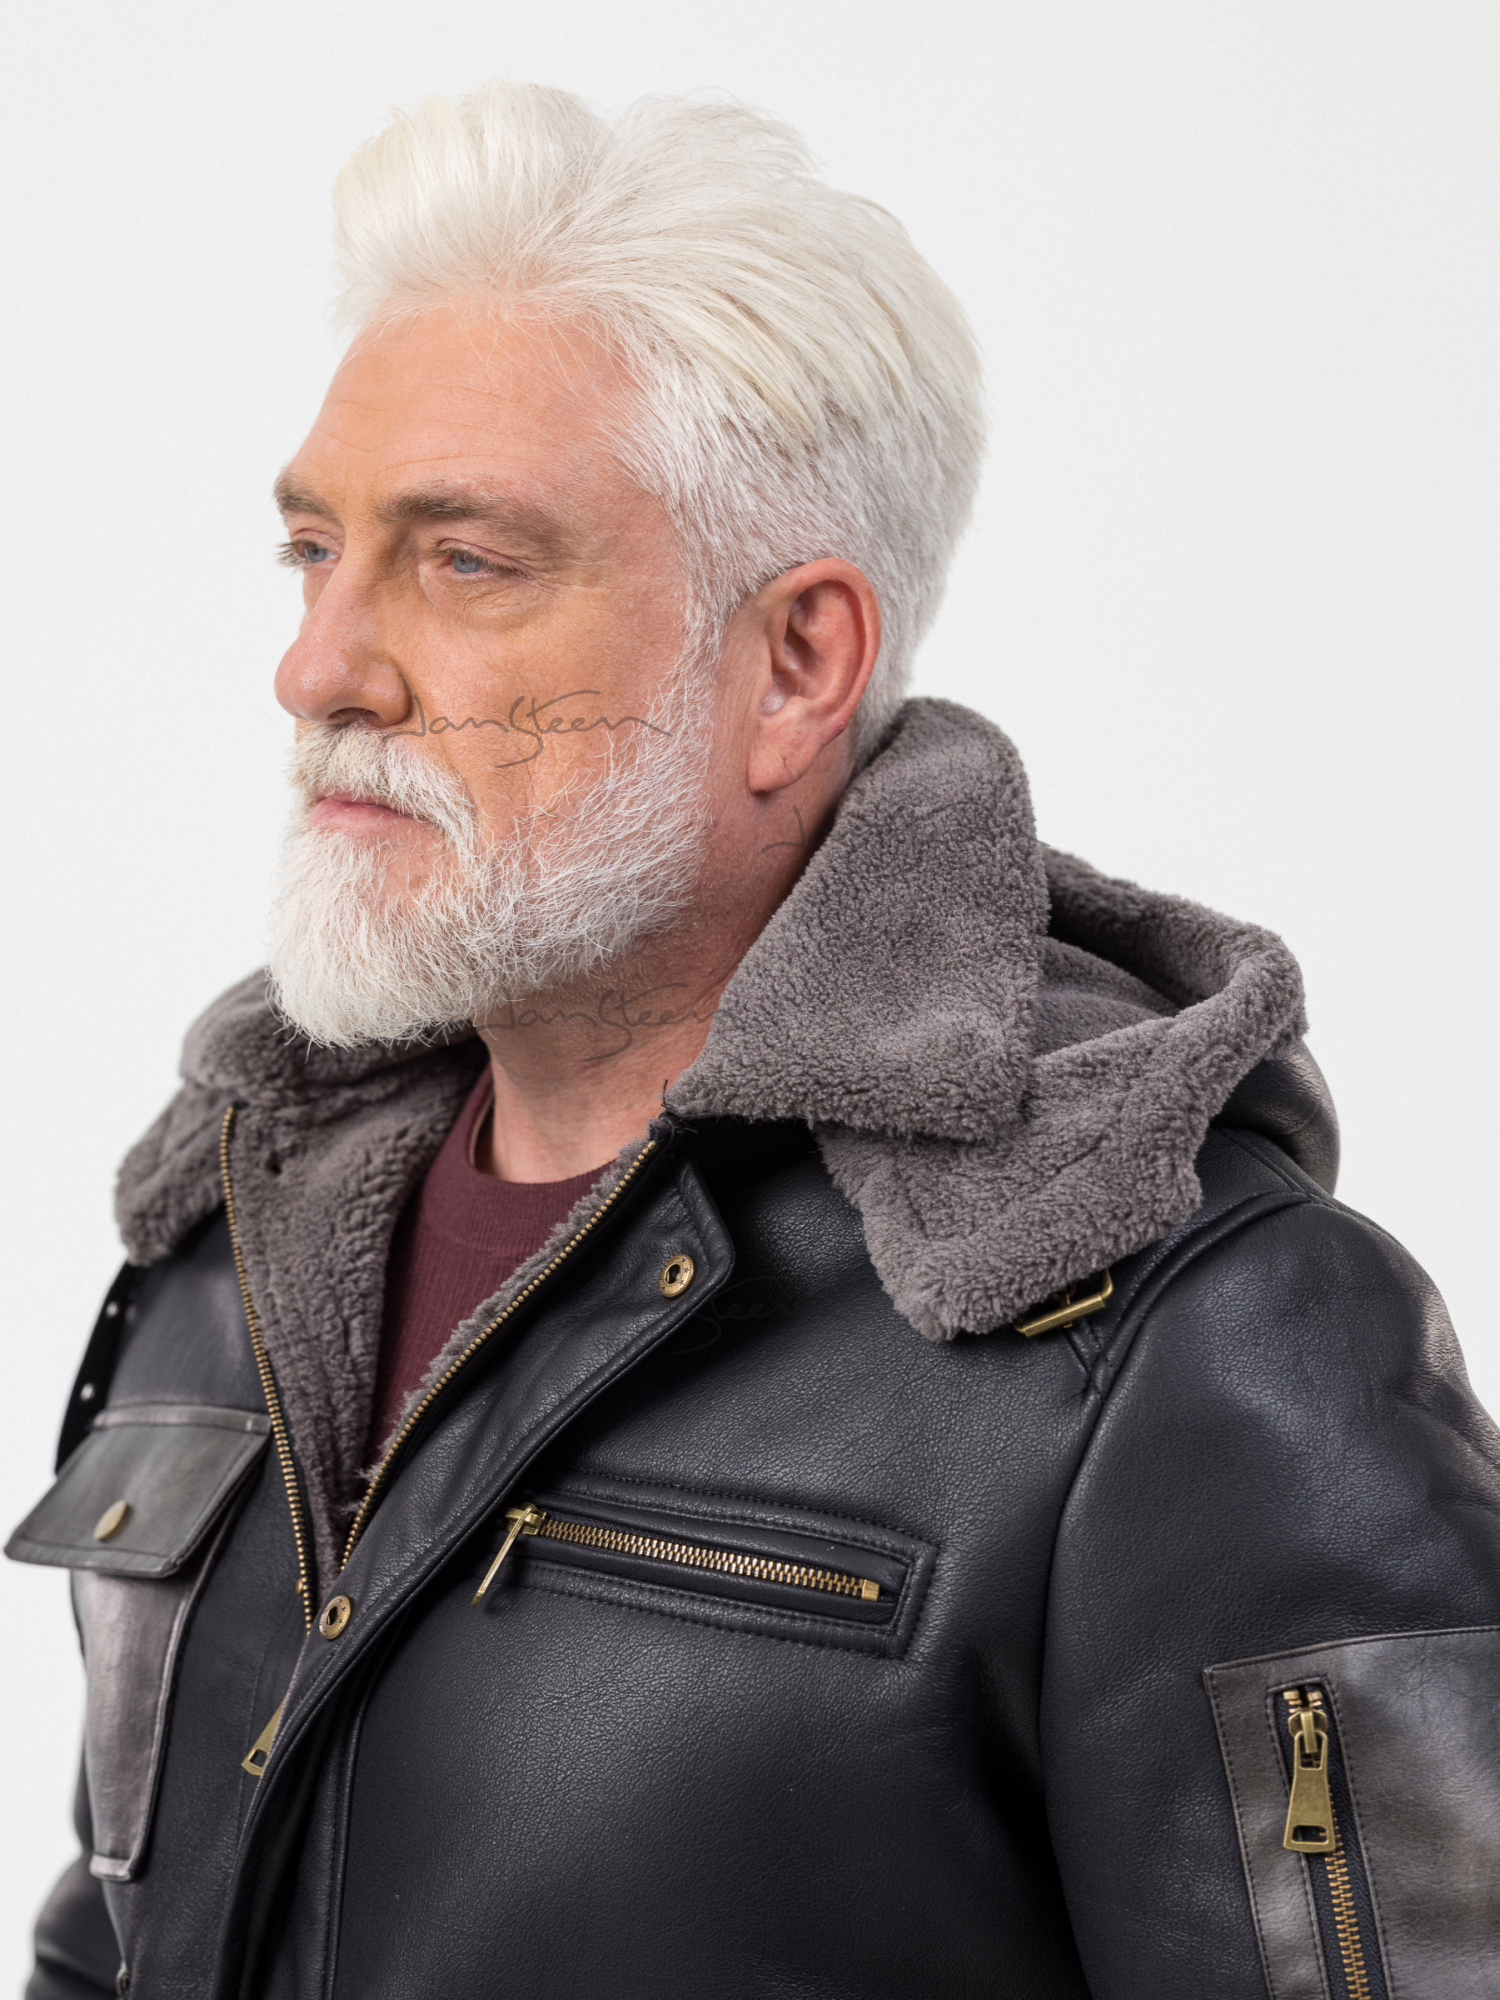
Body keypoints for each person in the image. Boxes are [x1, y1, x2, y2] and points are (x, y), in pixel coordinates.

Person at [9, 78, 1500, 2000]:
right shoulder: (237, 1247)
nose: (318, 667)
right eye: (315, 549)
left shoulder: (1185, 1347)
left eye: (467, 561)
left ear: (797, 662)